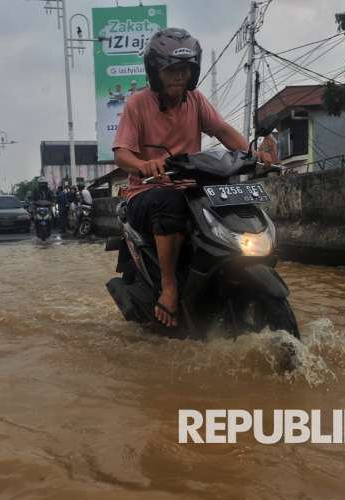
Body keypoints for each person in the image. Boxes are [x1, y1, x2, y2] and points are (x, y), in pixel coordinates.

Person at [112, 28, 271, 327]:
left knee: (228, 199)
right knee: (171, 200)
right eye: (171, 69)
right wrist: (144, 165)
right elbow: (122, 154)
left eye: (185, 69)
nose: (179, 75)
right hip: (147, 194)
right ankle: (170, 287)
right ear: (155, 71)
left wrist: (253, 153)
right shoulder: (137, 103)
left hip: (191, 189)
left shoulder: (195, 100)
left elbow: (222, 131)